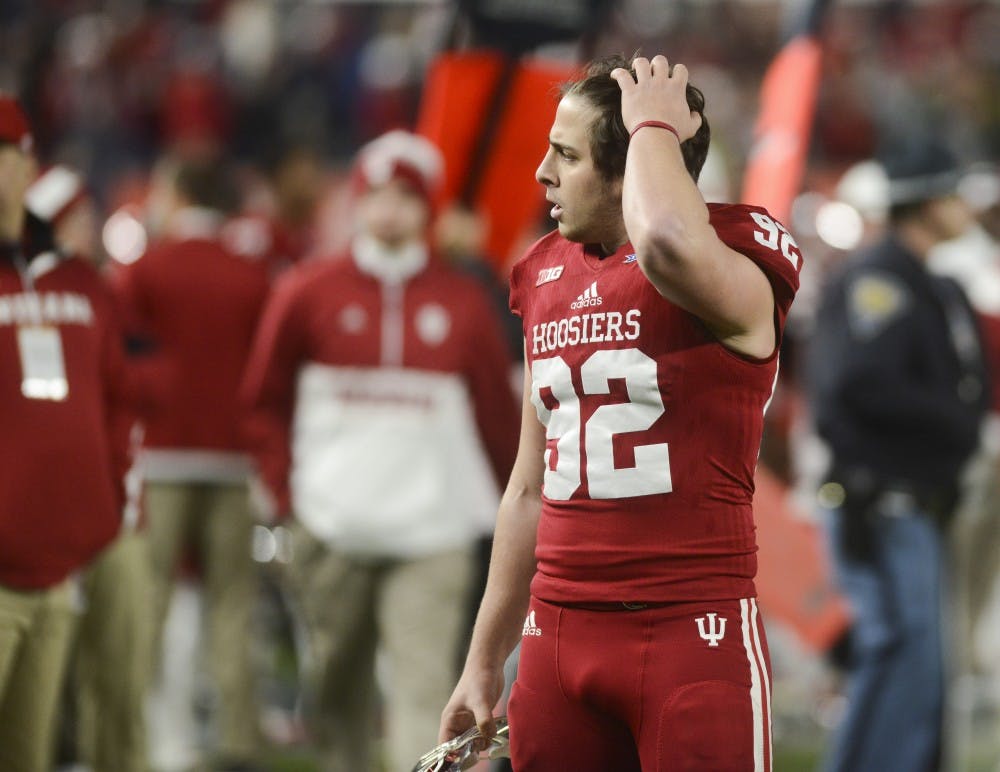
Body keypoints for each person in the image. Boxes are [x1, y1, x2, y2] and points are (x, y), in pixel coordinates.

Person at [438, 53, 802, 771]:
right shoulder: (545, 274)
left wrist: (653, 124)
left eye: (566, 155)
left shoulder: (728, 266)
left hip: (687, 634)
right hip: (558, 638)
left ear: (630, 167)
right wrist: (484, 660)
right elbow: (528, 489)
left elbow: (665, 239)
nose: (542, 173)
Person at [240, 129, 519, 772]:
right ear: (356, 202)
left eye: (405, 196)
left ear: (428, 208)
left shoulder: (464, 301)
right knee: (335, 692)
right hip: (330, 527)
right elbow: (263, 403)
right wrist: (289, 498)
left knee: (423, 693)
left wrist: (513, 513)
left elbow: (499, 424)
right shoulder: (306, 291)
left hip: (434, 535)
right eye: (377, 195)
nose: (390, 210)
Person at [805, 135, 989, 772]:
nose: (965, 205)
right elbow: (857, 387)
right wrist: (959, 426)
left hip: (921, 505)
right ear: (927, 200)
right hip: (880, 502)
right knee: (899, 657)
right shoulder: (875, 279)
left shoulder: (934, 285)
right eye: (953, 193)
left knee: (919, 668)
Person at [110, 154, 272, 771]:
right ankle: (238, 742)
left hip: (164, 457)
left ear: (175, 193)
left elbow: (121, 361)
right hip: (233, 460)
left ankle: (144, 740)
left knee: (148, 601)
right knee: (233, 605)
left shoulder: (146, 270)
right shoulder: (252, 275)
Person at [0, 94, 133, 772]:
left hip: (58, 567)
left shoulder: (84, 284)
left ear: (27, 164)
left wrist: (104, 508)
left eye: (7, 155)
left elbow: (115, 401)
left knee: (32, 753)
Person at [25, 163, 154, 772]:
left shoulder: (99, 293)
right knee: (39, 699)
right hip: (33, 524)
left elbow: (122, 404)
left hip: (107, 516)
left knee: (118, 680)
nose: (86, 230)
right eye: (73, 219)